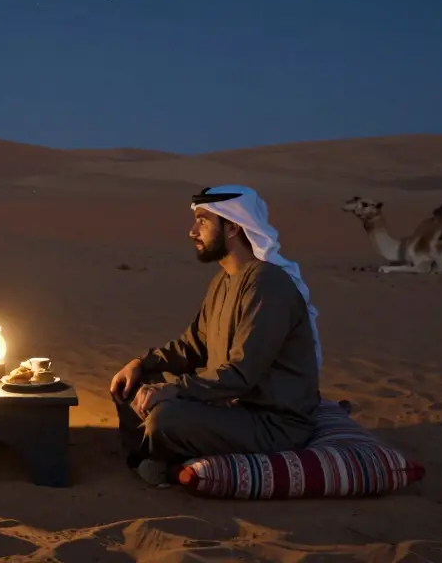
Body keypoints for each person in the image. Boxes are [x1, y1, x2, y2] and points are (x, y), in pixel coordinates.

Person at [109, 185, 322, 486]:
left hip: (272, 422)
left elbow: (241, 374)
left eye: (203, 222)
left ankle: (162, 462)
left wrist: (174, 391)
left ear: (233, 227)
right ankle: (154, 457)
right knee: (132, 385)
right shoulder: (224, 281)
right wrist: (141, 364)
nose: (192, 232)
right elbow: (192, 345)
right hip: (230, 408)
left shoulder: (266, 285)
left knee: (165, 419)